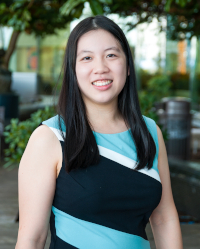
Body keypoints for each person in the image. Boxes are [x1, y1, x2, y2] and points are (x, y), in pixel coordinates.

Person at [15, 15, 183, 249]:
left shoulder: (150, 133)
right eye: (87, 58)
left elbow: (164, 218)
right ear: (73, 71)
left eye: (111, 55)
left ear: (127, 67)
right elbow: (31, 239)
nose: (101, 68)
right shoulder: (50, 138)